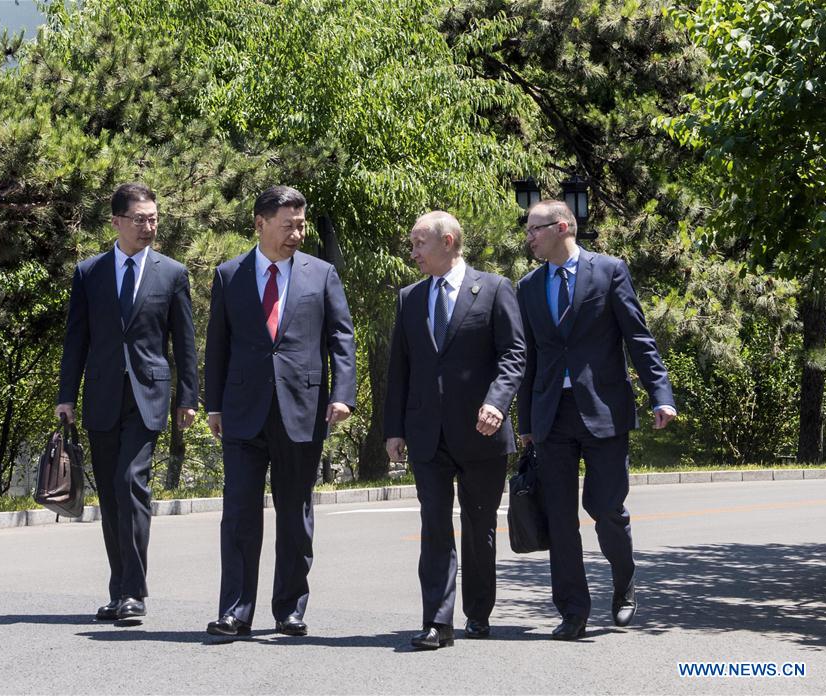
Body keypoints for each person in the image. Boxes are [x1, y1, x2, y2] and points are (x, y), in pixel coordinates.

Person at [516, 200, 677, 640]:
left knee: (605, 508)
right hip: (552, 415)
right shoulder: (528, 287)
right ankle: (573, 610)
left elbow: (637, 337)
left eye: (534, 229)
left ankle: (624, 584)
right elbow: (528, 360)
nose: (528, 237)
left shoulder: (609, 271)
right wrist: (526, 419)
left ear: (562, 226)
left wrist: (660, 395)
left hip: (605, 410)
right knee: (560, 517)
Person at [204, 185, 356, 638]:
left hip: (303, 410)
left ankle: (289, 608)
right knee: (239, 515)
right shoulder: (229, 274)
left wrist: (343, 394)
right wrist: (213, 404)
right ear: (260, 223)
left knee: (295, 514)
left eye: (301, 224)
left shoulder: (321, 273)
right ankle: (234, 610)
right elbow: (219, 344)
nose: (297, 233)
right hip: (243, 412)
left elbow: (341, 339)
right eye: (288, 224)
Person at [56, 182, 199, 621]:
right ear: (116, 221)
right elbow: (75, 338)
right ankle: (120, 590)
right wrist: (66, 397)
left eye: (154, 218)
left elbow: (184, 341)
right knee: (113, 495)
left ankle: (134, 592)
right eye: (140, 219)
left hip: (148, 395)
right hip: (100, 396)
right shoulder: (89, 272)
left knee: (130, 483)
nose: (148, 226)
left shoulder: (171, 273)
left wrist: (188, 397)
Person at [384, 211, 526, 649]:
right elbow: (400, 369)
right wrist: (394, 429)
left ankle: (478, 613)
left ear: (447, 242)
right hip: (427, 434)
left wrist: (497, 403)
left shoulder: (495, 288)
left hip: (482, 433)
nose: (413, 253)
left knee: (480, 528)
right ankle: (437, 622)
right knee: (434, 527)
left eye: (419, 244)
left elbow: (514, 353)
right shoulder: (409, 298)